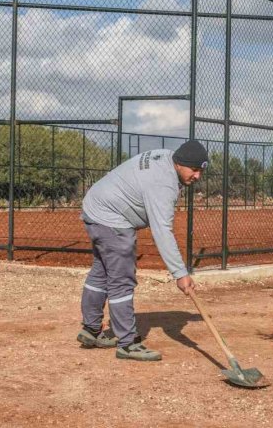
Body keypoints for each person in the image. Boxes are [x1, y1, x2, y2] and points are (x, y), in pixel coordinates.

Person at [76, 140, 208, 361]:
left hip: (96, 208)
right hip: (111, 218)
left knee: (101, 271)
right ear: (179, 163)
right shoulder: (163, 183)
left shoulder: (166, 157)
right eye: (194, 170)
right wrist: (180, 273)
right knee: (122, 280)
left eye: (200, 171)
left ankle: (90, 330)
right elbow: (162, 231)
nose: (197, 177)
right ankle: (127, 343)